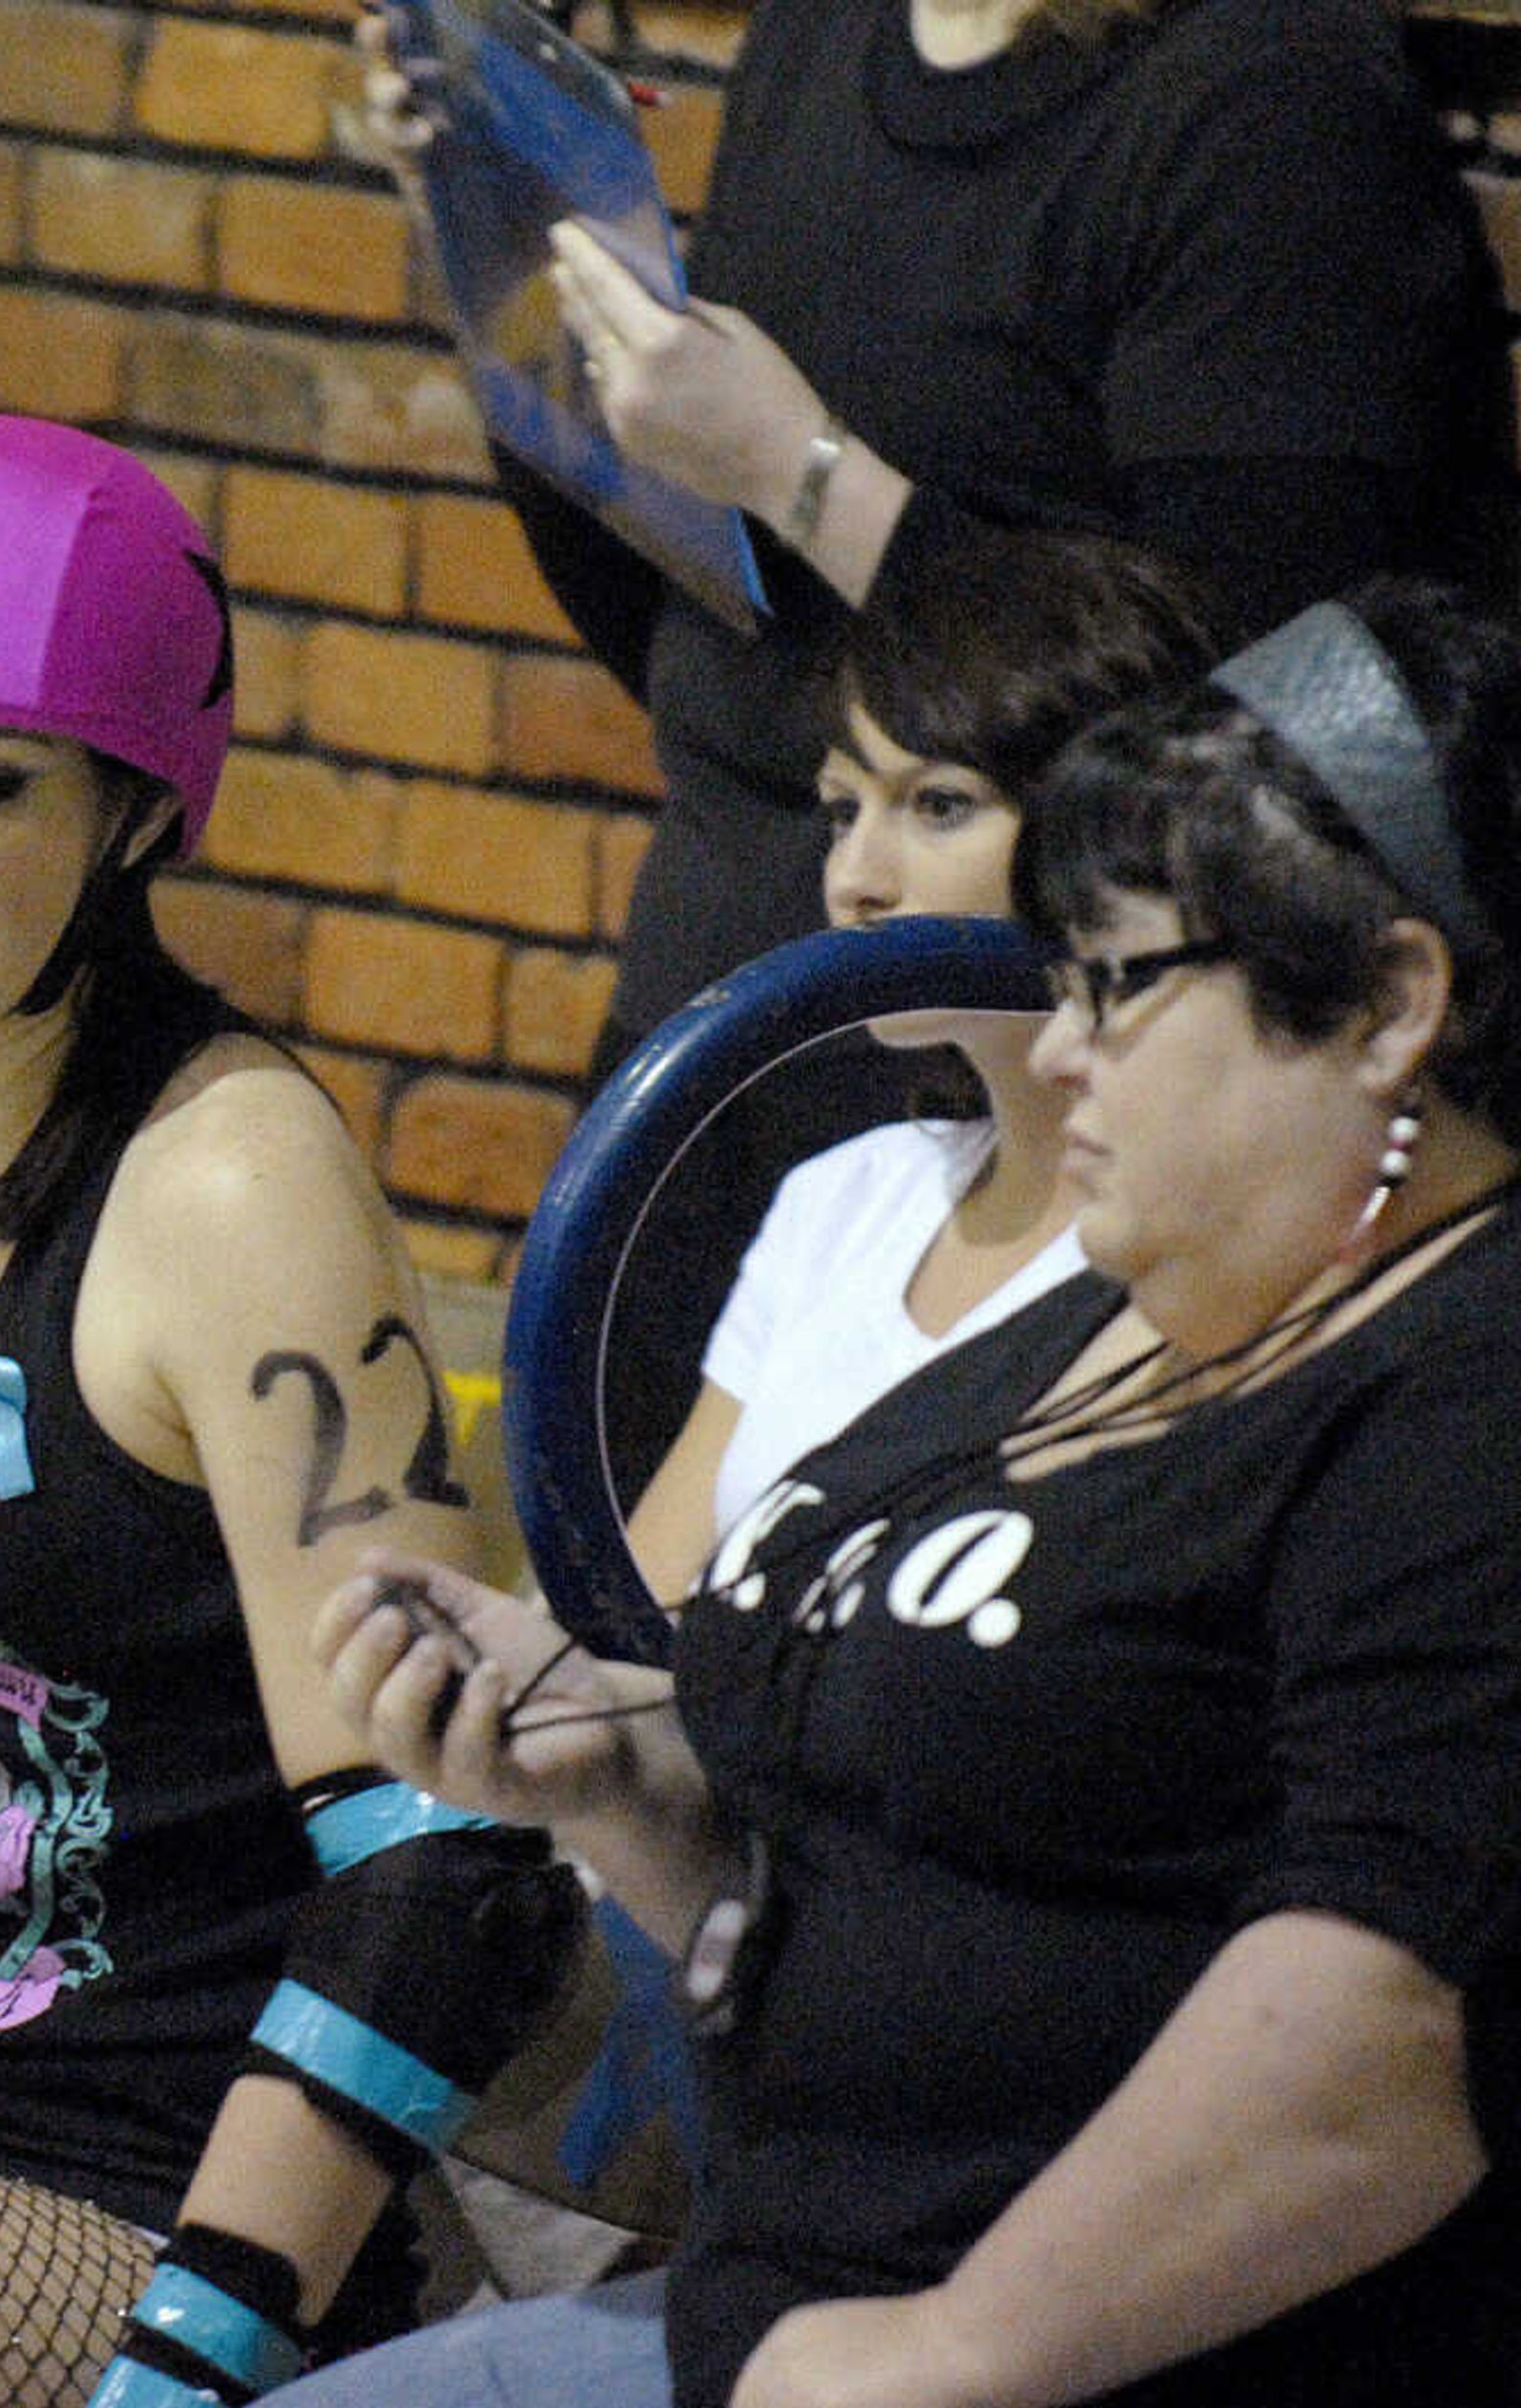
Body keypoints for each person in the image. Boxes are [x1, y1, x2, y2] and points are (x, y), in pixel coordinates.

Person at [277, 578, 1521, 2406]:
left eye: (1121, 977)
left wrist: (961, 2347)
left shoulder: (1467, 1375)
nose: (1066, 1042)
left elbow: (1400, 2018)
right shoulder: (1108, 1320)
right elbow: (869, 1866)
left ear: (1393, 1001)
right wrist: (618, 1776)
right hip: (772, 2308)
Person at [0, 409, 584, 2399]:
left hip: (135, 2248)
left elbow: (444, 1864)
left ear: (134, 818)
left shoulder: (226, 1186)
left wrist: (185, 2356)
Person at [366, 0, 1515, 1492]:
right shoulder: (824, 38)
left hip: (1048, 1111)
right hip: (723, 1033)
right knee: (619, 1658)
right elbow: (711, 644)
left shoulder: (1269, 107)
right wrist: (517, 274)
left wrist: (801, 472)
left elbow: (1251, 746)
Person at [619, 527, 1215, 1601]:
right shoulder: (841, 1197)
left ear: (1110, 829)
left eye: (939, 805)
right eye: (845, 810)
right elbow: (638, 1624)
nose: (857, 879)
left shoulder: (1217, 1238)